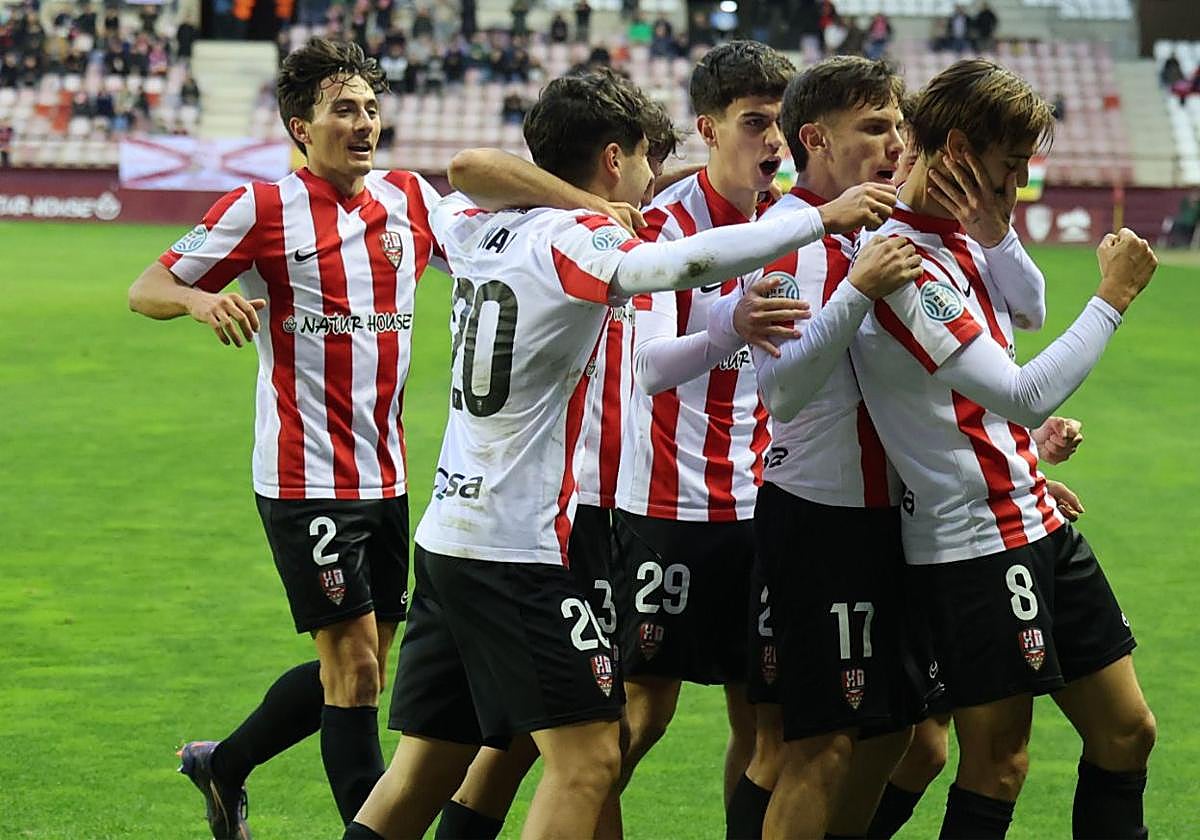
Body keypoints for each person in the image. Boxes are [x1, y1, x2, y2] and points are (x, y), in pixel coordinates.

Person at [343, 68, 894, 840]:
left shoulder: (475, 226)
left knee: (425, 769)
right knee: (590, 760)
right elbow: (676, 266)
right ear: (612, 158)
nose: (648, 176)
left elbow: (472, 172)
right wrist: (820, 219)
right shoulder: (579, 239)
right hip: (525, 545)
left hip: (450, 534)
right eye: (641, 158)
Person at [128, 38, 648, 839]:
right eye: (344, 109)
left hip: (390, 472)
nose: (364, 123)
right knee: (357, 672)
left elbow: (489, 224)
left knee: (365, 664)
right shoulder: (259, 210)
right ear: (301, 126)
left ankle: (225, 763)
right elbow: (149, 284)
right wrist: (200, 304)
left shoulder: (409, 200)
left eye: (371, 108)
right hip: (303, 475)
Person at [850, 58, 1158, 839]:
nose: (1019, 180)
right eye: (1009, 165)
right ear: (956, 148)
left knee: (1128, 733)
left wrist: (995, 228)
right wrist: (1113, 297)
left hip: (1031, 517)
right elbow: (1022, 391)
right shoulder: (902, 262)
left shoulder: (958, 235)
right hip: (973, 542)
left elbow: (1026, 308)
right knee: (999, 760)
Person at [609, 41, 881, 823]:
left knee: (766, 723)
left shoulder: (803, 225)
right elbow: (650, 367)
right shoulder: (660, 229)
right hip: (670, 506)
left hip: (765, 505)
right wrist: (731, 321)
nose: (772, 140)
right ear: (707, 128)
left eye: (780, 123)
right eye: (753, 121)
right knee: (642, 715)